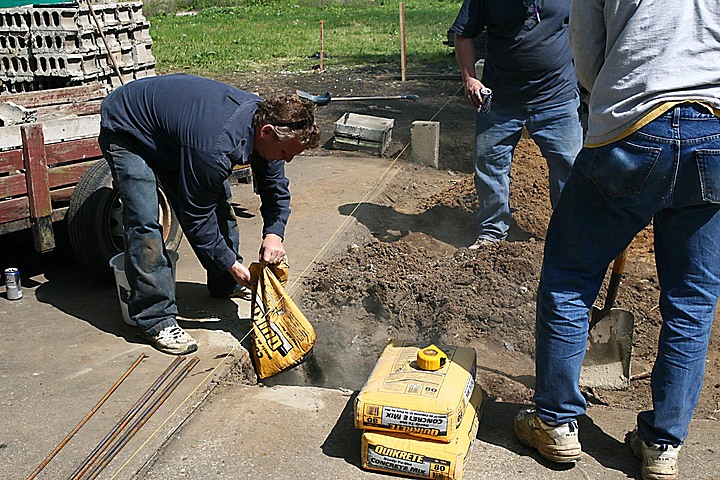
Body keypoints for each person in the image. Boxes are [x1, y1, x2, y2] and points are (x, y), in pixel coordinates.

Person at [514, 1, 720, 479]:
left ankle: (556, 423)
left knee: (569, 277)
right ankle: (663, 445)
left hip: (632, 128)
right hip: (714, 132)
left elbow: (587, 56)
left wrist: (611, 107)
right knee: (692, 299)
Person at [99, 73, 320, 355]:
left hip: (175, 134)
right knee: (144, 220)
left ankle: (225, 282)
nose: (287, 160)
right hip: (129, 126)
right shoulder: (217, 145)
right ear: (265, 132)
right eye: (286, 152)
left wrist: (274, 235)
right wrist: (231, 261)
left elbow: (274, 187)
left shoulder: (272, 129)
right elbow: (195, 216)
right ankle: (155, 318)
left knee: (217, 201)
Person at [451, 0, 583, 249]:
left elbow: (592, 29)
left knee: (569, 167)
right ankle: (492, 233)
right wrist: (470, 79)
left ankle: (571, 237)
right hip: (500, 98)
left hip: (557, 98)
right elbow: (464, 34)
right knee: (490, 164)